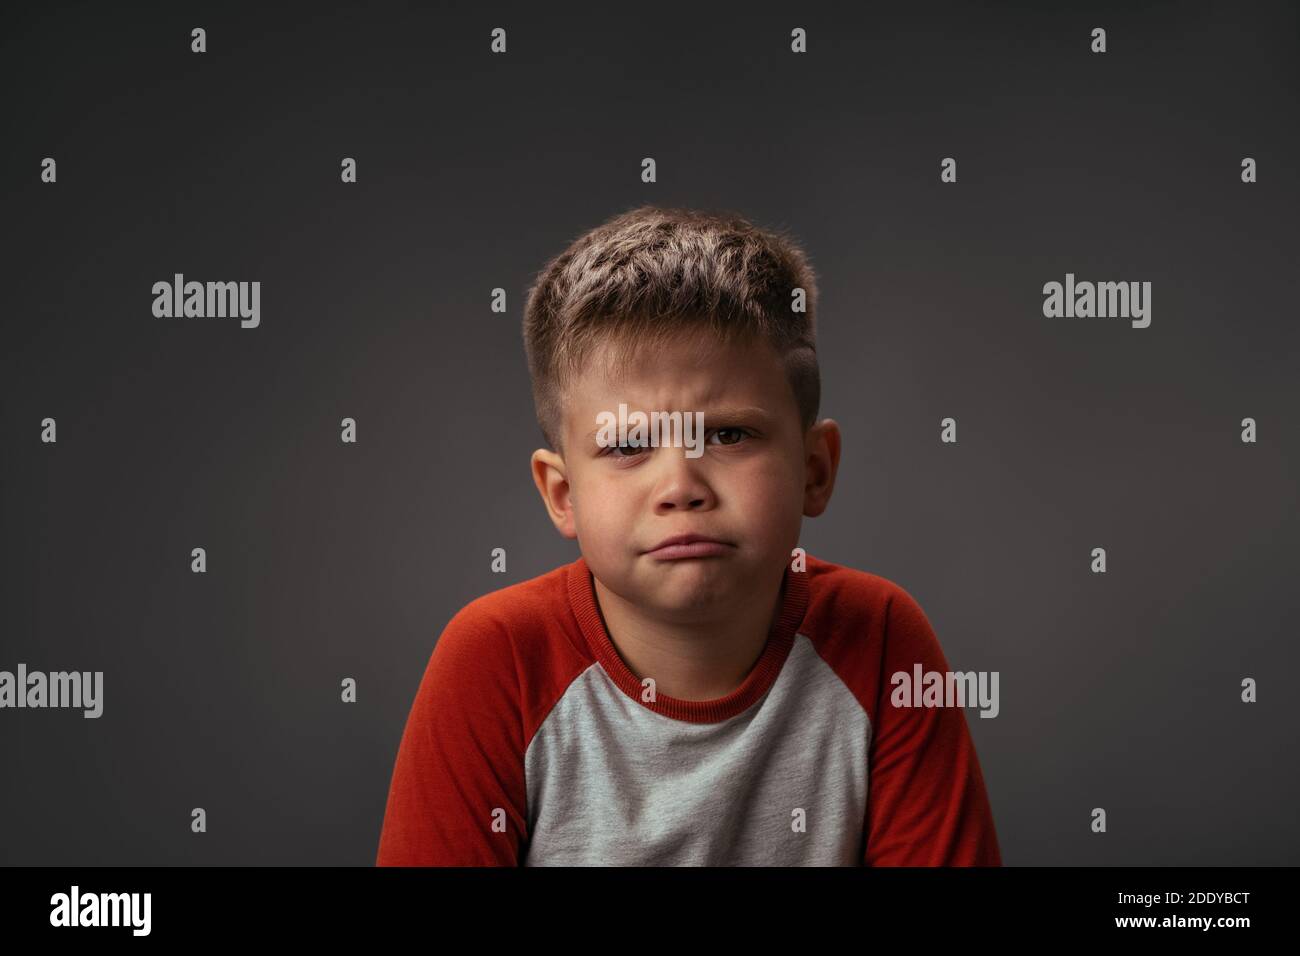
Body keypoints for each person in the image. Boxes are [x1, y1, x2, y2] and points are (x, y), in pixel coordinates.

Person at [375, 205, 1001, 866]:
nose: (681, 485)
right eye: (628, 446)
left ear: (815, 470)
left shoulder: (879, 642)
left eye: (729, 434)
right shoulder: (496, 660)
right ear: (563, 495)